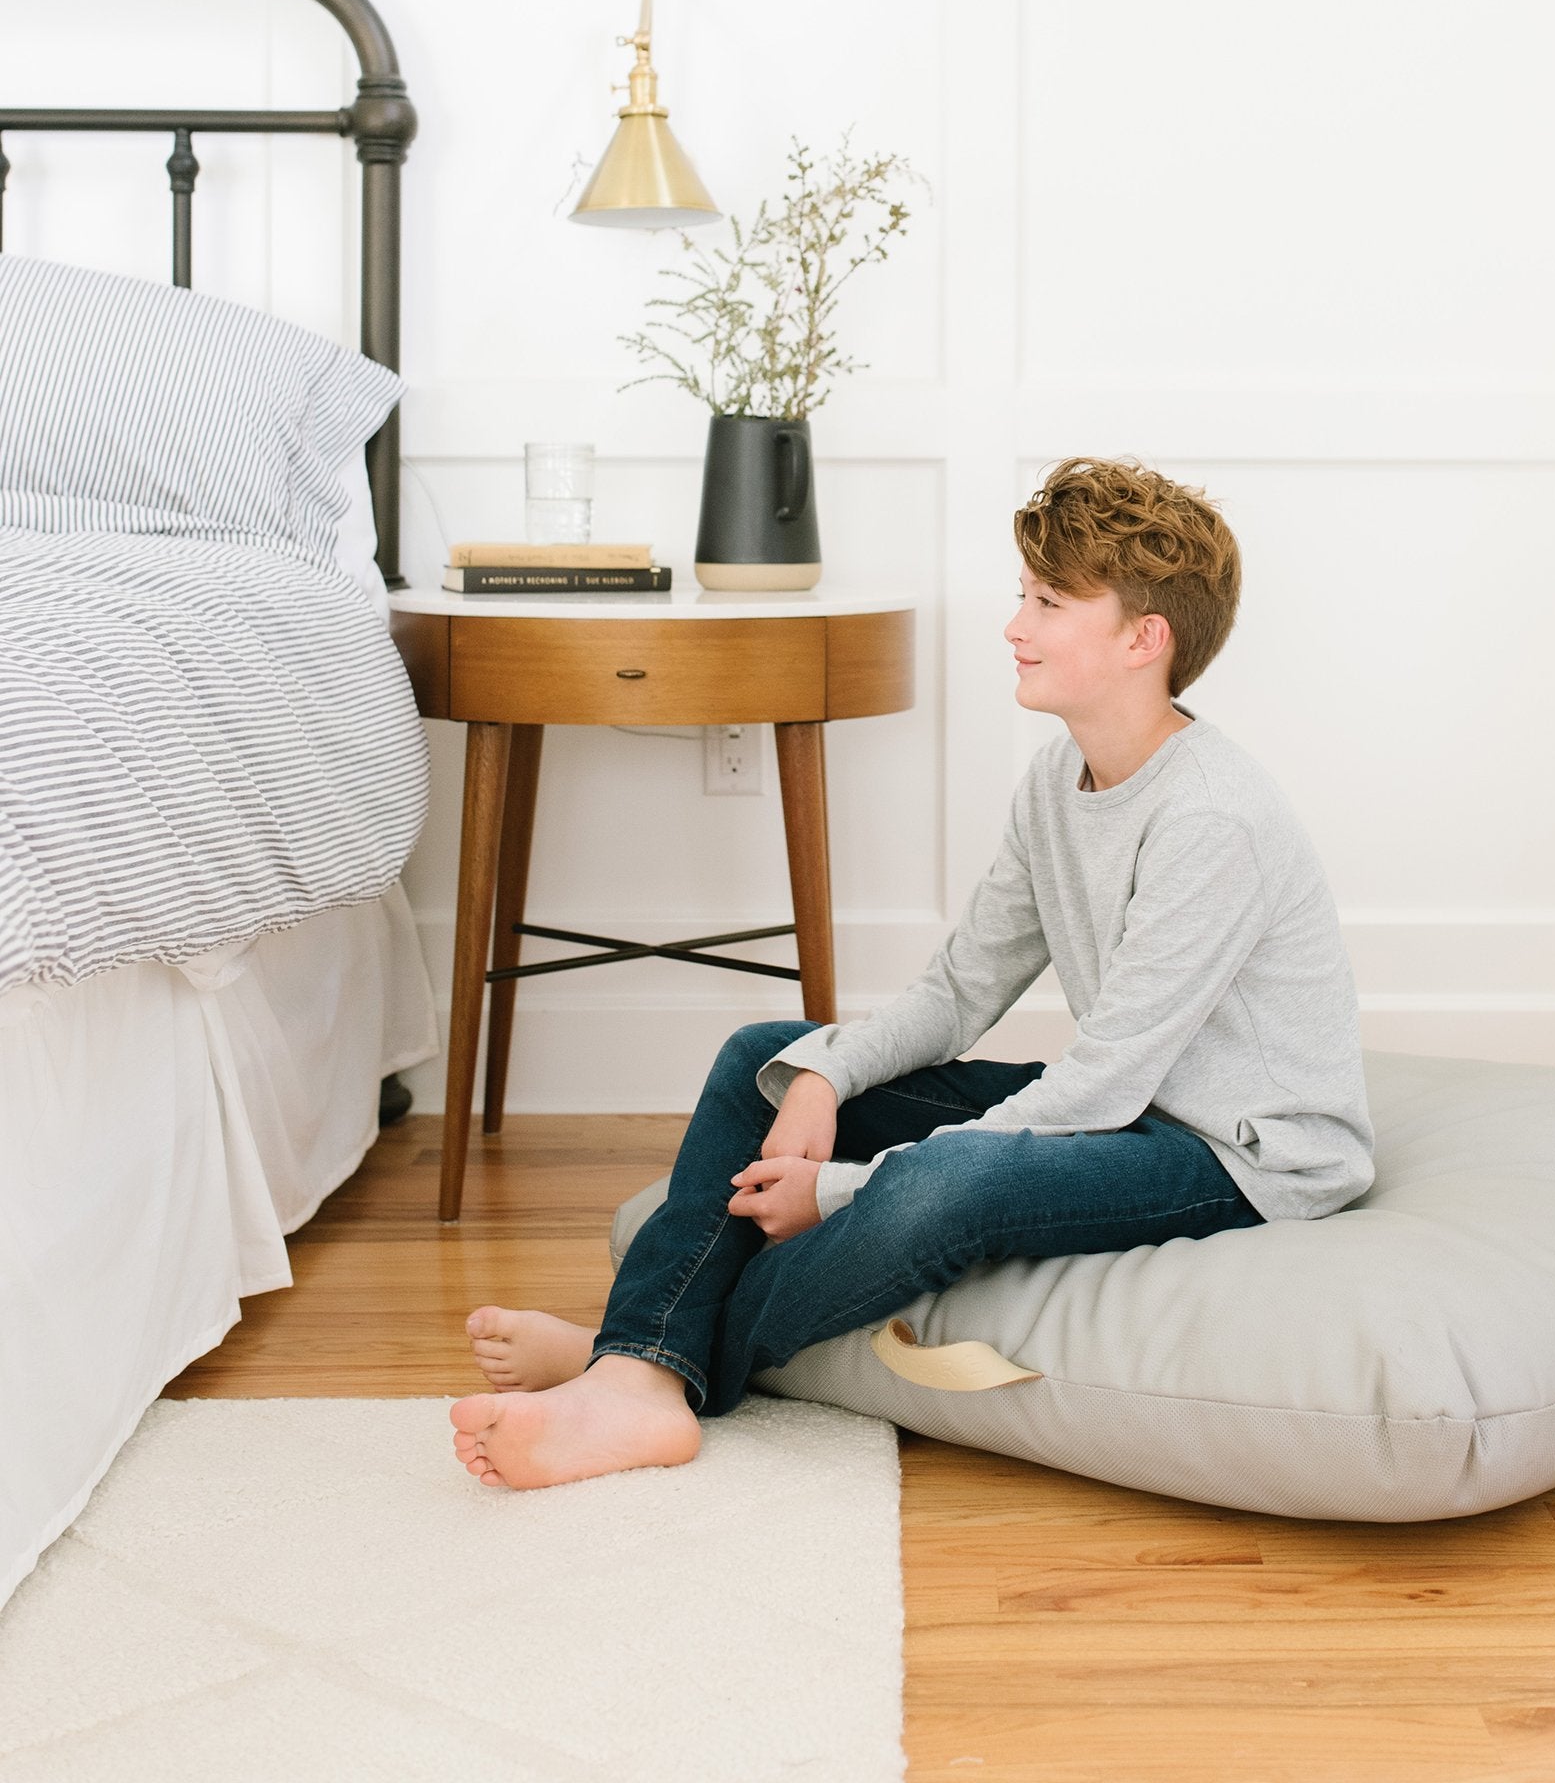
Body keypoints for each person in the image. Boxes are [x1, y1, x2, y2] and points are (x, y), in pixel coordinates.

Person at [448, 455, 1375, 1489]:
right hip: (1142, 1107)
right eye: (1023, 593)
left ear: (1140, 638)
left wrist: (838, 1188)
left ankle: (636, 1363)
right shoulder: (1055, 778)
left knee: (945, 1182)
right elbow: (956, 991)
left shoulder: (1210, 816)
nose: (1014, 623)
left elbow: (1101, 1083)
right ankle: (637, 1369)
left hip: (1239, 1153)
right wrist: (824, 1079)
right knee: (765, 1052)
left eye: (1049, 600)